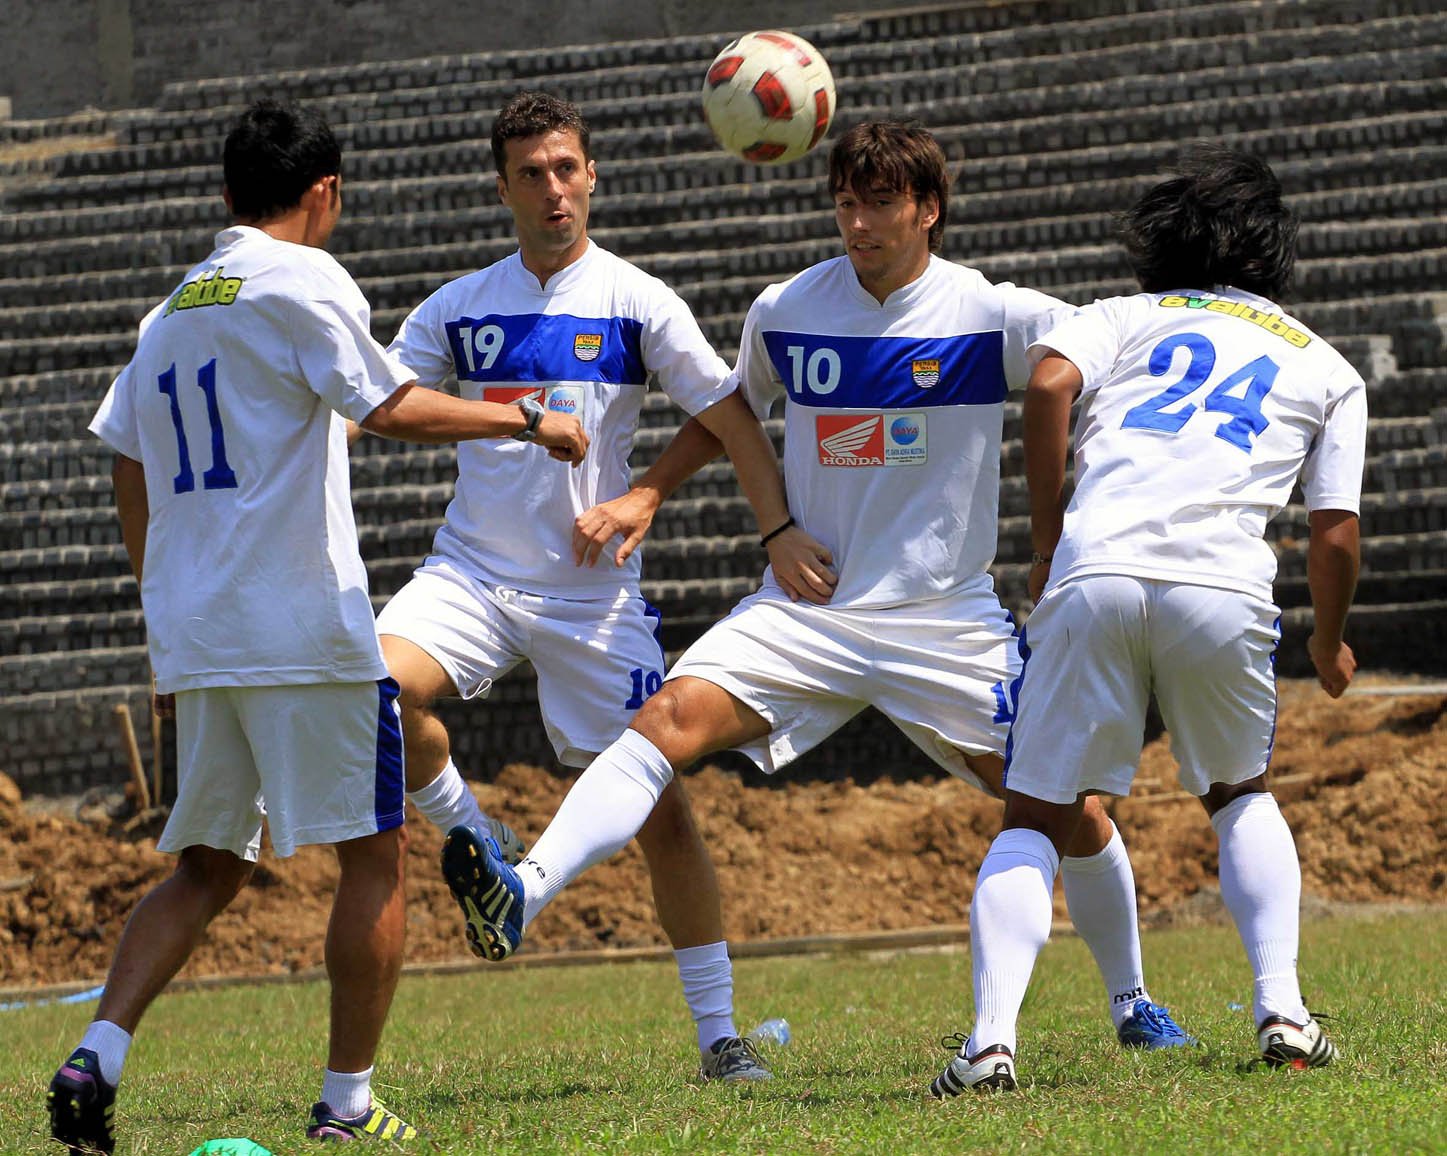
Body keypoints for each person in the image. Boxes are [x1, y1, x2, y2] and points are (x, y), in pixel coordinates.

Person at [442, 120, 1193, 1073]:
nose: (858, 221)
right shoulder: (787, 309)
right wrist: (665, 495)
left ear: (927, 209)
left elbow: (1105, 375)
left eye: (880, 202)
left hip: (942, 622)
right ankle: (525, 887)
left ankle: (1131, 999)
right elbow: (728, 415)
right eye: (845, 201)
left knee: (1066, 806)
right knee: (665, 717)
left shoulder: (992, 315)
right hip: (807, 609)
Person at [47, 98, 588, 1153]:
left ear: (225, 195)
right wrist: (525, 418)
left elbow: (125, 455)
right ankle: (347, 1105)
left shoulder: (172, 309)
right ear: (325, 192)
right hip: (298, 623)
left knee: (207, 867)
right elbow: (386, 404)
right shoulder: (303, 278)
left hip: (201, 634)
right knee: (374, 856)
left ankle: (96, 1052)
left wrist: (166, 599)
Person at [374, 90, 835, 1083]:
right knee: (369, 696)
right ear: (501, 187)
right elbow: (388, 405)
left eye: (567, 168)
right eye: (531, 173)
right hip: (471, 573)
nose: (553, 188)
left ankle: (719, 1037)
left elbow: (729, 415)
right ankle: (473, 832)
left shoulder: (638, 299)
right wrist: (516, 421)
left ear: (593, 177)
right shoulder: (457, 305)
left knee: (660, 802)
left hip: (593, 596)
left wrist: (698, 508)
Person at [933, 144, 1364, 1095]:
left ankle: (990, 1045)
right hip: (1221, 586)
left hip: (1096, 571)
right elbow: (1333, 530)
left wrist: (1046, 543)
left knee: (1038, 812)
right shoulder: (1323, 361)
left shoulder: (1119, 317)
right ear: (1269, 254)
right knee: (1239, 795)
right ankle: (1283, 1012)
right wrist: (1329, 640)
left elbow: (1047, 386)